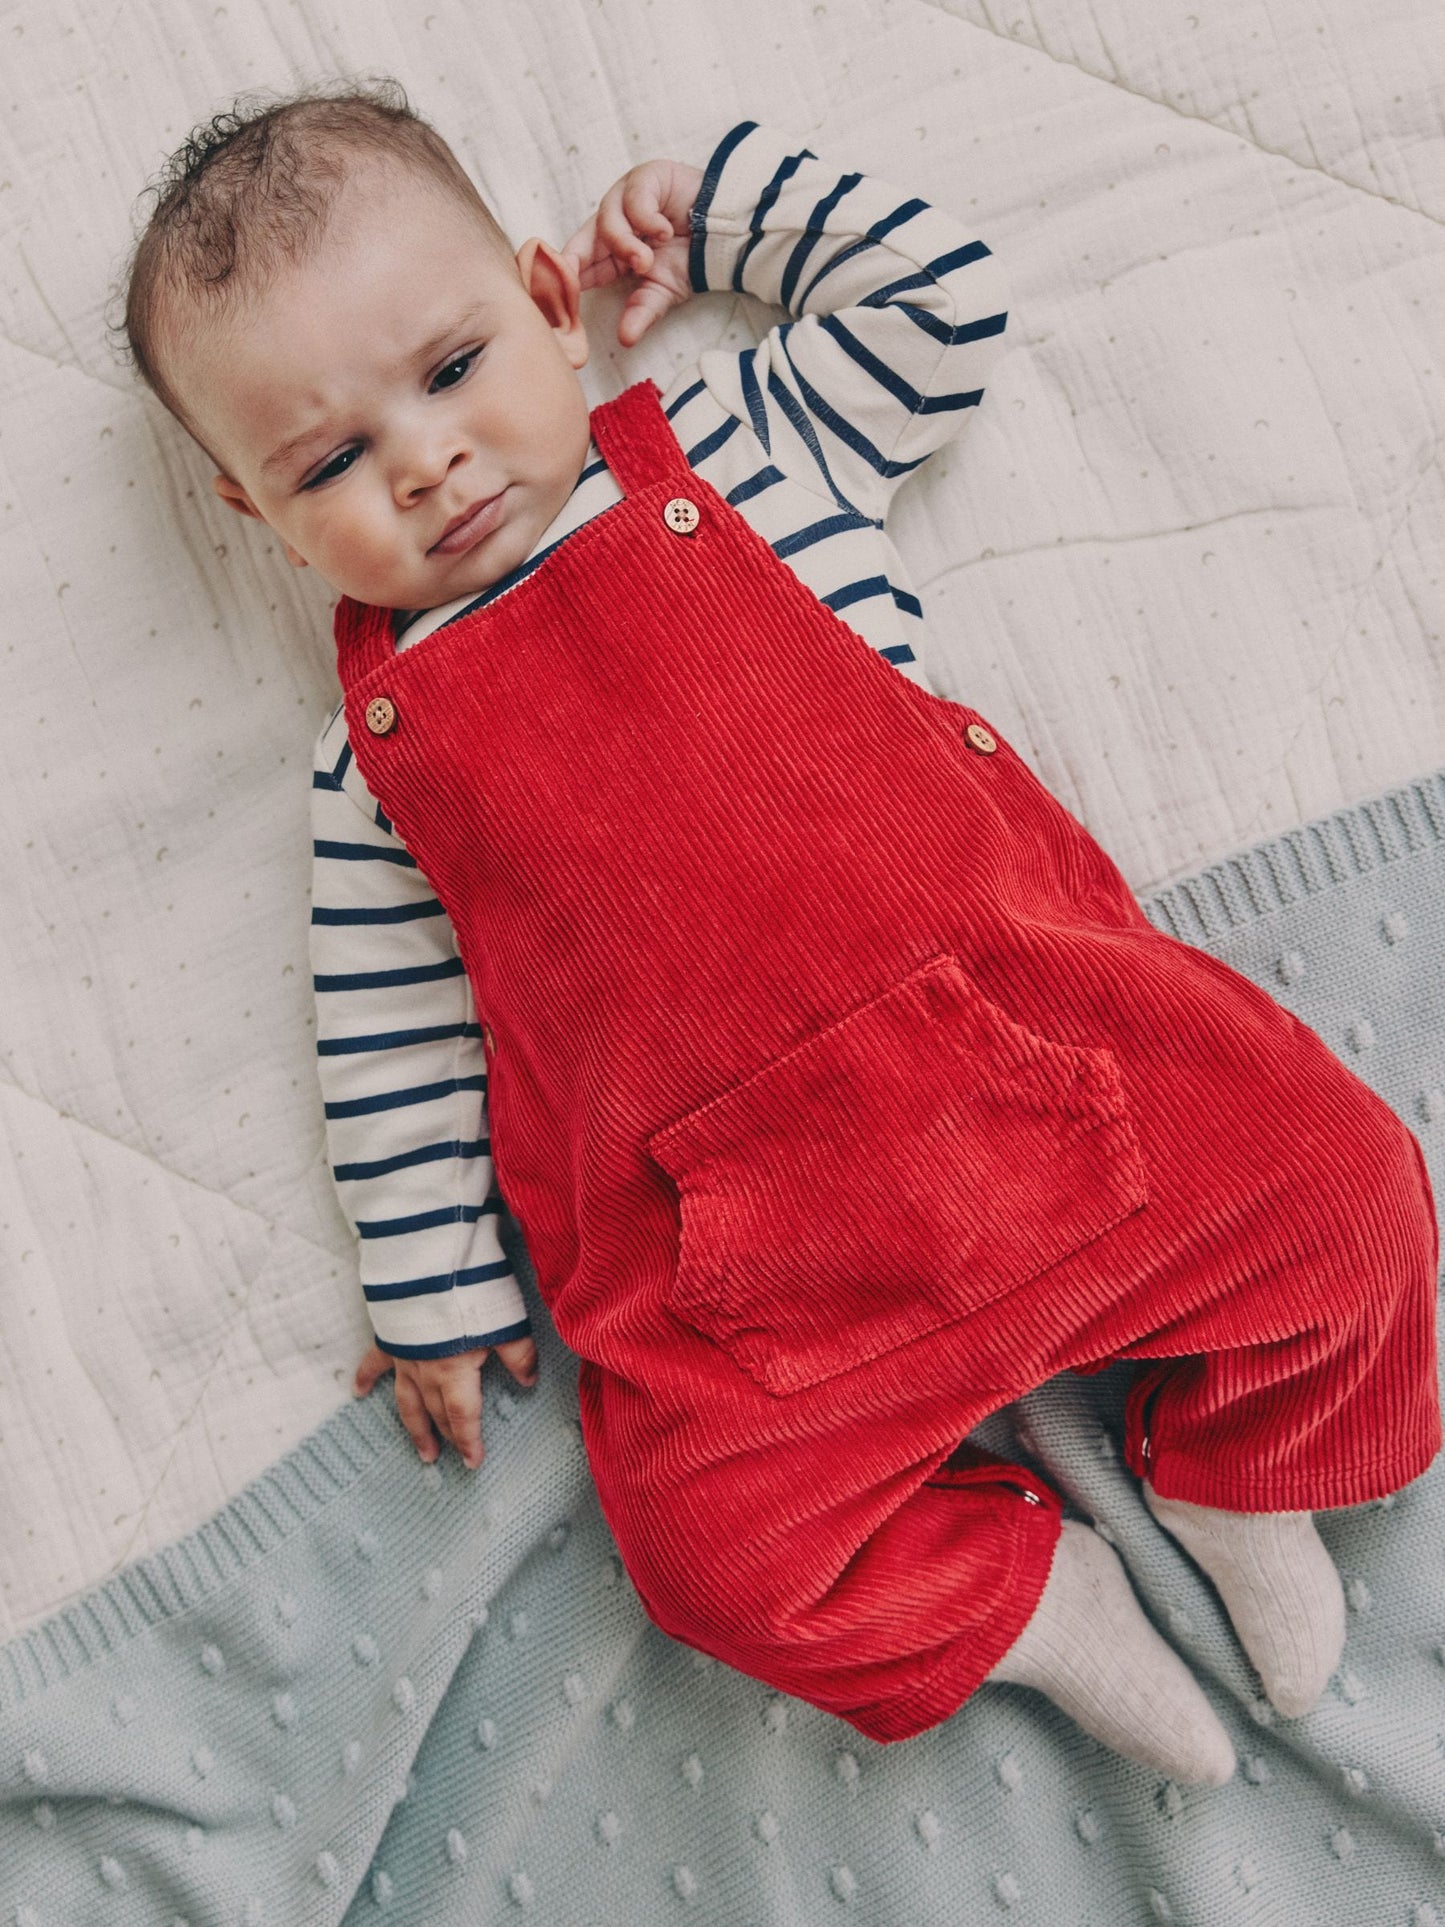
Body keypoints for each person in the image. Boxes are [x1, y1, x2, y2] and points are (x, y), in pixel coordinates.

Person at [117, 78, 1441, 1787]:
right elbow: (386, 1040)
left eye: (451, 374)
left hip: (1042, 1061)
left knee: (1352, 1203)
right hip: (736, 1268)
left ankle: (1230, 1470)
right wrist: (429, 1288)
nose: (426, 461)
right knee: (710, 1564)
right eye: (329, 462)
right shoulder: (371, 769)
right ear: (254, 513)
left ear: (545, 307)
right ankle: (1031, 1602)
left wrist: (723, 207)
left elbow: (941, 303)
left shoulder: (746, 446)